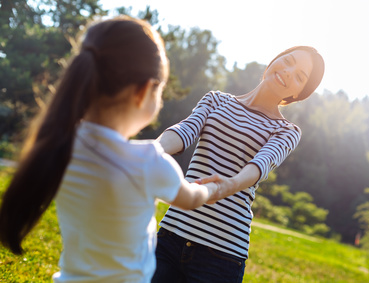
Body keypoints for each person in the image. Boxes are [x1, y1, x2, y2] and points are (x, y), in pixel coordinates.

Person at [0, 16, 221, 282]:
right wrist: (214, 188)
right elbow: (190, 199)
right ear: (144, 91)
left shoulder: (61, 144)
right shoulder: (147, 161)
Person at [152, 46, 325, 283]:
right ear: (273, 61)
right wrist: (151, 150)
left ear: (297, 94)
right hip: (170, 237)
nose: (288, 72)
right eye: (288, 61)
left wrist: (228, 185)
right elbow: (186, 130)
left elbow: (260, 165)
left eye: (299, 77)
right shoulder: (216, 99)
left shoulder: (286, 130)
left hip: (221, 257)